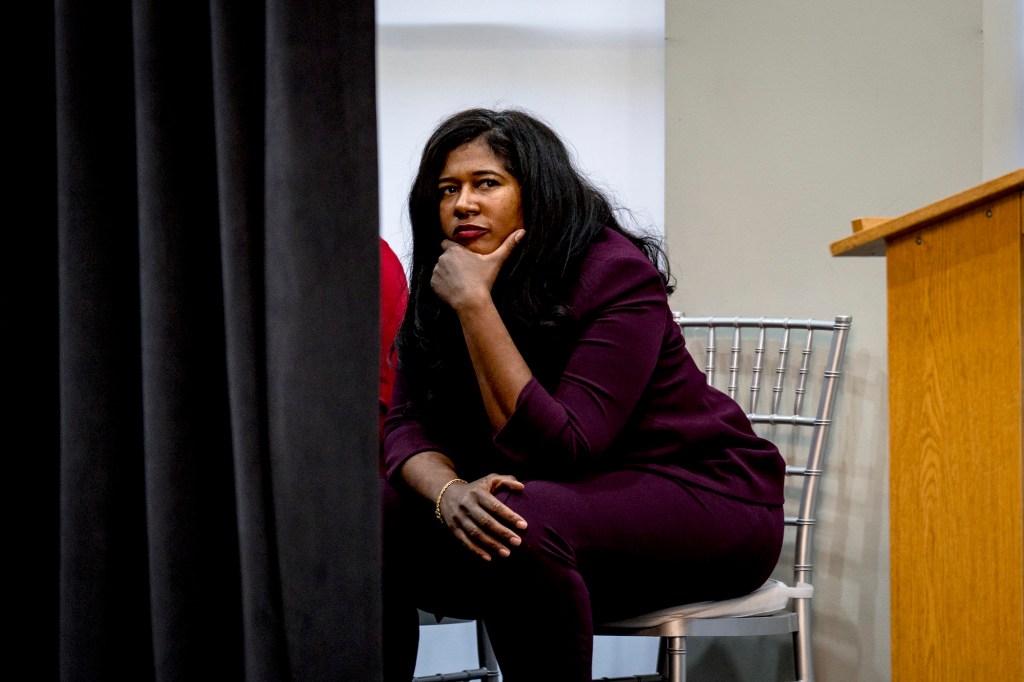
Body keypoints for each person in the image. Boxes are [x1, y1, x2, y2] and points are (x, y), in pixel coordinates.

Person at [381, 108, 785, 682]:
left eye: (486, 184)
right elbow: (405, 426)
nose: (463, 204)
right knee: (373, 513)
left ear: (537, 194)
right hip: (561, 508)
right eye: (448, 189)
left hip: (703, 495)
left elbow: (565, 447)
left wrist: (476, 307)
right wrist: (450, 493)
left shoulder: (613, 273)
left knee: (515, 521)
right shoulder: (446, 277)